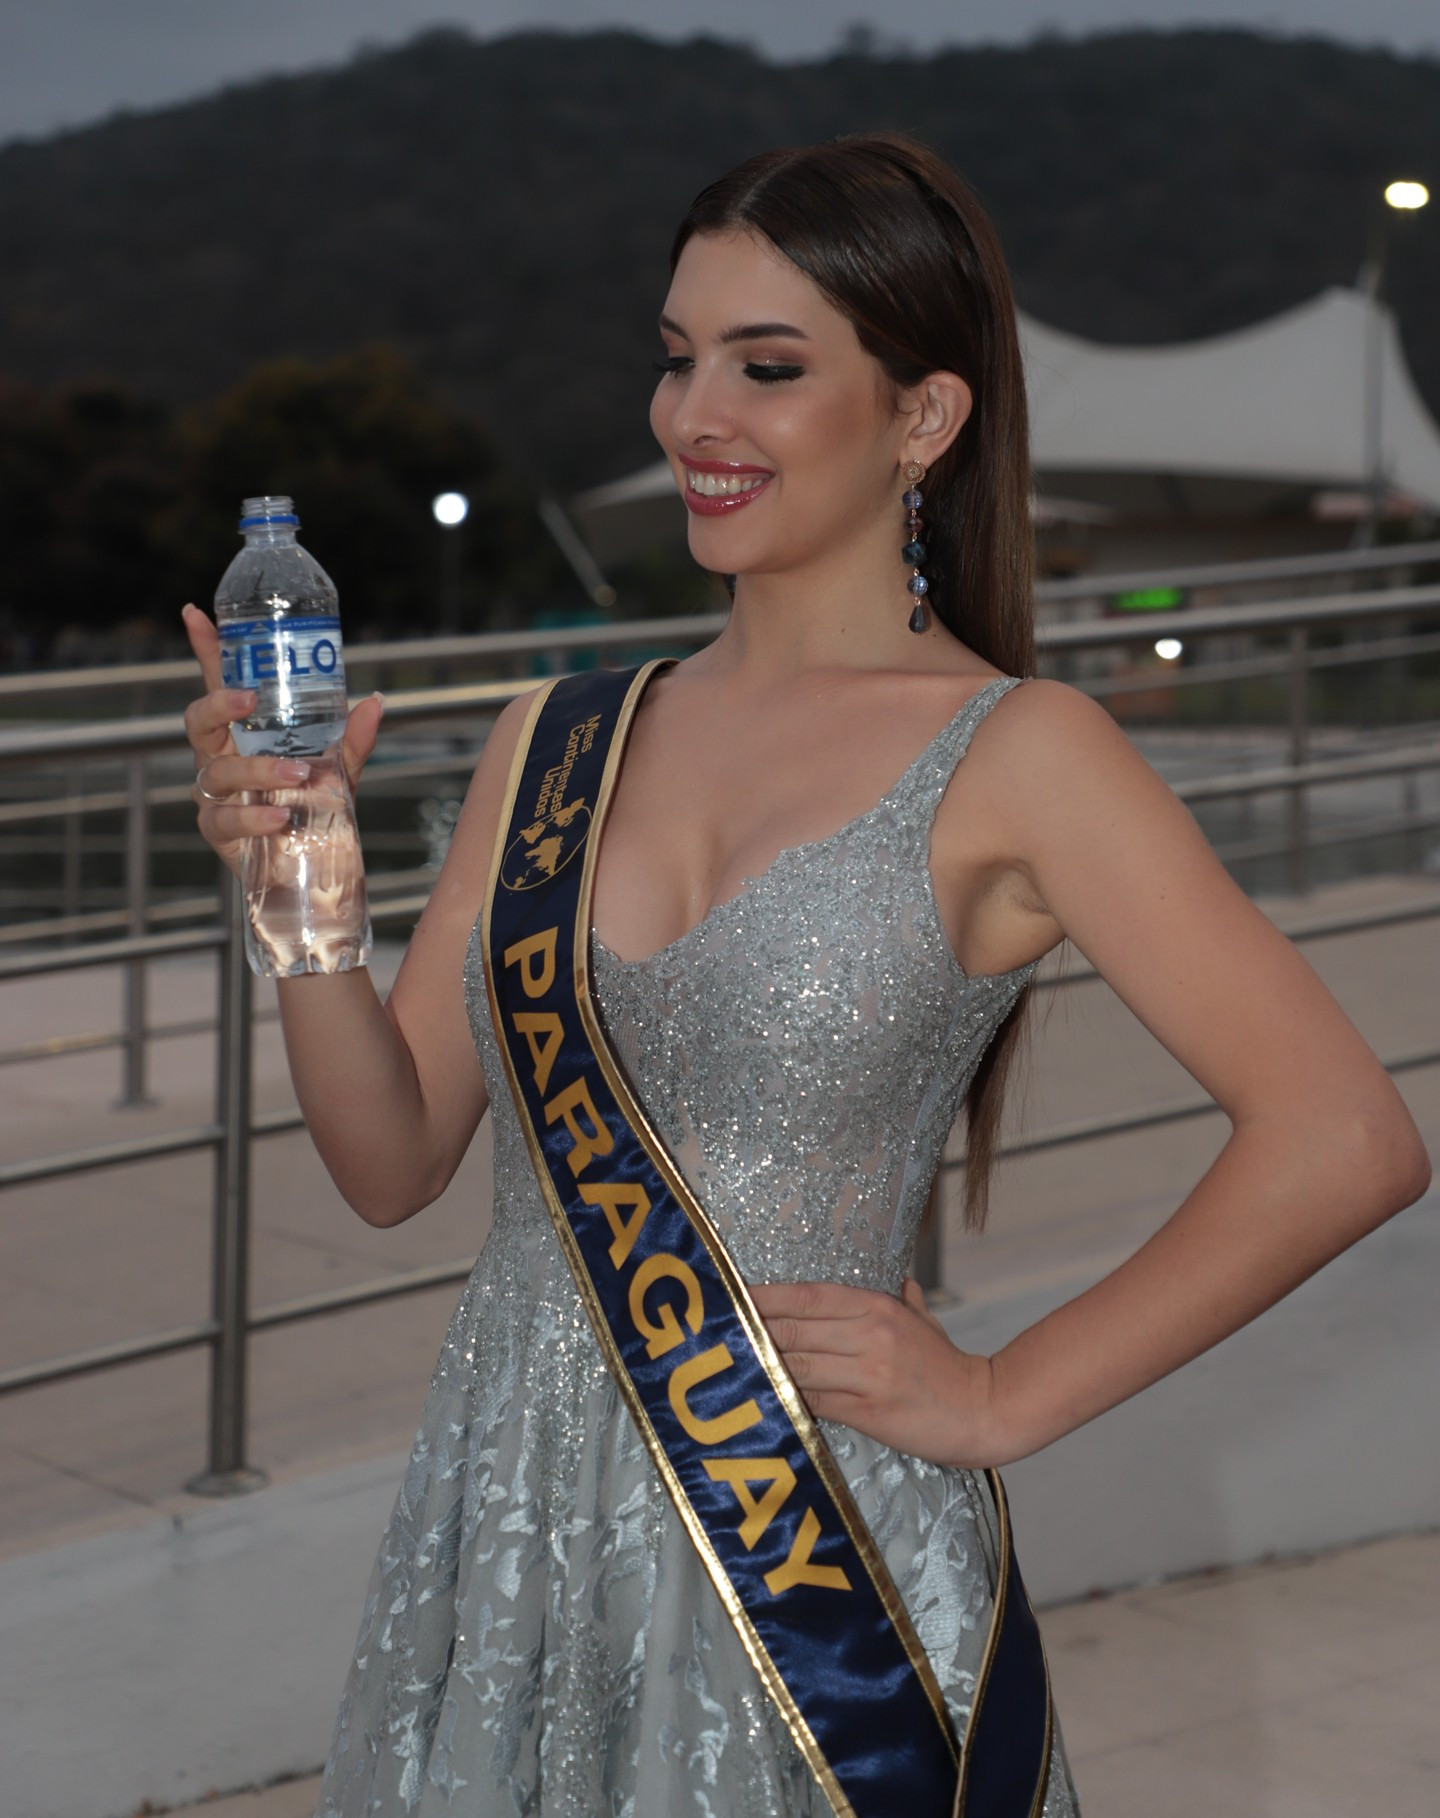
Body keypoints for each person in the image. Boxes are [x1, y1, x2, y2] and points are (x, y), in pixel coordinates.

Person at [181, 132, 1430, 1817]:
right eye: (678, 357)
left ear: (922, 417)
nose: (697, 416)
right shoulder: (549, 742)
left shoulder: (1023, 754)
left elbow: (1344, 1135)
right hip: (513, 1527)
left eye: (769, 367)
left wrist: (1003, 1389)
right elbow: (390, 1161)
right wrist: (301, 888)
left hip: (812, 1548)